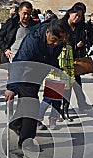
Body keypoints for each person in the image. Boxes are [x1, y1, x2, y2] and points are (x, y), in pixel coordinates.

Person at [4, 19, 69, 150]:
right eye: (54, 39)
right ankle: (26, 142)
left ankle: (16, 123)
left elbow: (51, 56)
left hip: (39, 73)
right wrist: (11, 88)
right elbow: (19, 63)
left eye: (59, 41)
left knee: (26, 103)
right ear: (47, 32)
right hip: (25, 72)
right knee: (32, 105)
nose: (56, 43)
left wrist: (56, 68)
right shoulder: (32, 40)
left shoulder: (59, 40)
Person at [0, 1, 35, 65]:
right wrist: (5, 49)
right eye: (24, 13)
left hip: (28, 62)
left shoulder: (35, 27)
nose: (26, 16)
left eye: (28, 14)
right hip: (13, 60)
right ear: (19, 12)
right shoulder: (12, 23)